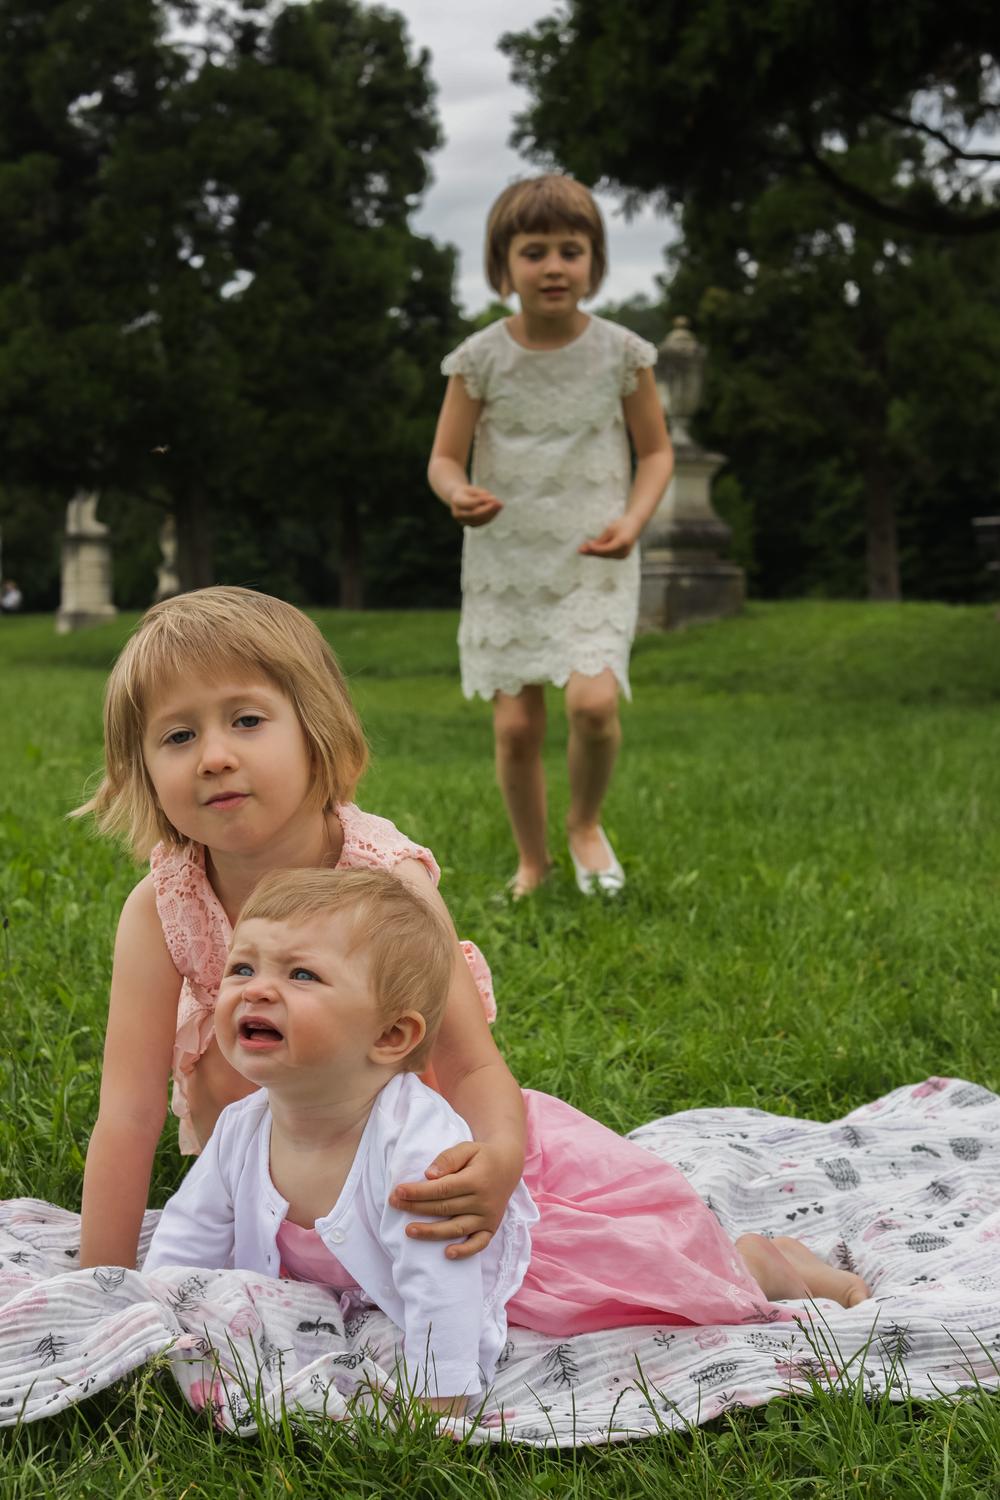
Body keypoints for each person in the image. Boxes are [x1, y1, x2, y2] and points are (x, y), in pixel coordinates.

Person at [145, 867, 870, 1412]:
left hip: (521, 1251)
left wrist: (438, 1397)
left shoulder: (415, 1149)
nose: (257, 989)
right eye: (243, 968)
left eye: (300, 974)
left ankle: (763, 1265)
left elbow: (444, 1280)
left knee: (633, 1299)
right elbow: (191, 1235)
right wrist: (155, 1315)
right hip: (380, 1278)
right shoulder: (245, 1128)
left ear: (392, 1036)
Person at [75, 586, 526, 1271]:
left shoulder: (383, 882)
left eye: (248, 720)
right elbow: (130, 1113)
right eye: (178, 735)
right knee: (242, 1032)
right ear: (142, 769)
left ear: (315, 729)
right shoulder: (163, 903)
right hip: (261, 1169)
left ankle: (746, 1263)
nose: (214, 756)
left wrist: (495, 1161)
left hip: (400, 1165)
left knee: (559, 1276)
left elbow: (468, 1062)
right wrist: (102, 1281)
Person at [428, 175, 674, 898]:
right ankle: (533, 861)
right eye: (534, 252)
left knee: (593, 706)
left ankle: (585, 826)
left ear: (594, 263)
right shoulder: (479, 360)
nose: (555, 266)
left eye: (572, 250)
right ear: (503, 267)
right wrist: (456, 492)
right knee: (516, 729)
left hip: (594, 554)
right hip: (506, 560)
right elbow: (444, 457)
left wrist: (632, 521)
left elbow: (656, 452)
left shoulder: (624, 353)